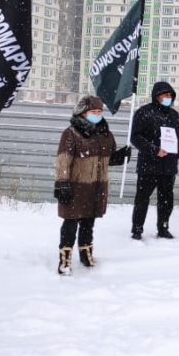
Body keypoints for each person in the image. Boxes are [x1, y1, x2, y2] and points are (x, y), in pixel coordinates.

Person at [54, 96, 129, 274]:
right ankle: (65, 259)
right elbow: (63, 160)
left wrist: (120, 156)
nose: (97, 115)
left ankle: (86, 254)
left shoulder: (105, 134)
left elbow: (107, 159)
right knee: (70, 223)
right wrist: (62, 182)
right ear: (83, 113)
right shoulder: (71, 133)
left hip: (96, 187)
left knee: (89, 222)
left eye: (99, 112)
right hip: (75, 186)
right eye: (93, 112)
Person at [130, 82, 179, 240]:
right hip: (149, 165)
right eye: (165, 95)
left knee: (166, 199)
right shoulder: (144, 112)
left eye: (170, 95)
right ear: (157, 96)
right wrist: (154, 149)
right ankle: (137, 229)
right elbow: (136, 137)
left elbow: (178, 135)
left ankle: (163, 227)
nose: (168, 98)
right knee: (142, 198)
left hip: (168, 166)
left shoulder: (174, 115)